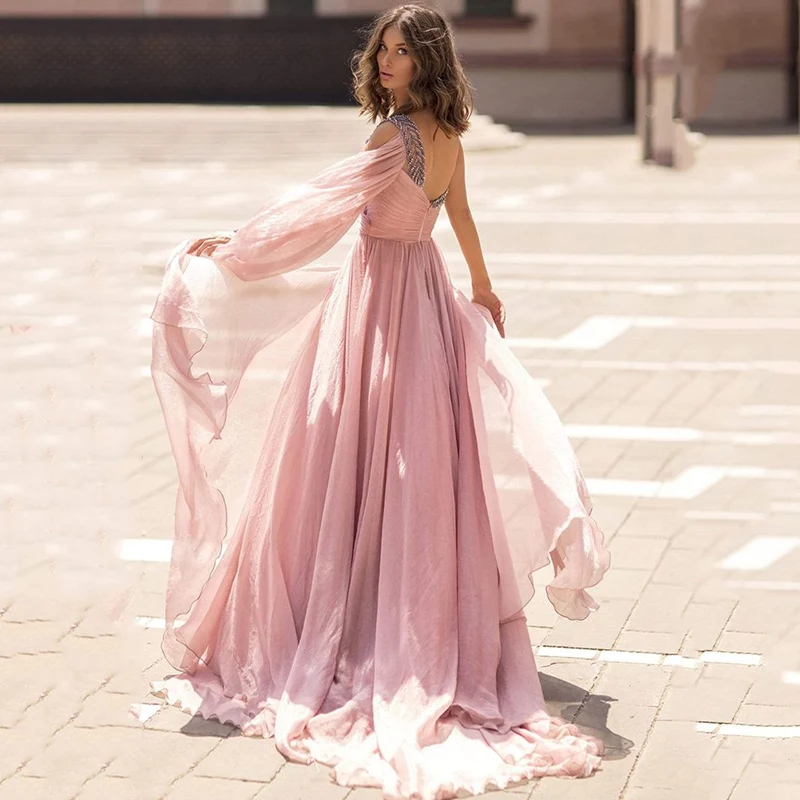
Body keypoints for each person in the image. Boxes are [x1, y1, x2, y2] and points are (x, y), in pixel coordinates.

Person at [145, 4, 611, 798]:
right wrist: (483, 287)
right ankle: (394, 599)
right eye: (383, 49)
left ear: (427, 60)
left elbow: (321, 213)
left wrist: (239, 249)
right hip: (422, 293)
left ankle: (355, 617)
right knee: (414, 453)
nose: (387, 60)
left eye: (401, 51)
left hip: (376, 305)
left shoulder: (390, 138)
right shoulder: (447, 136)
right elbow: (455, 214)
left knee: (348, 447)